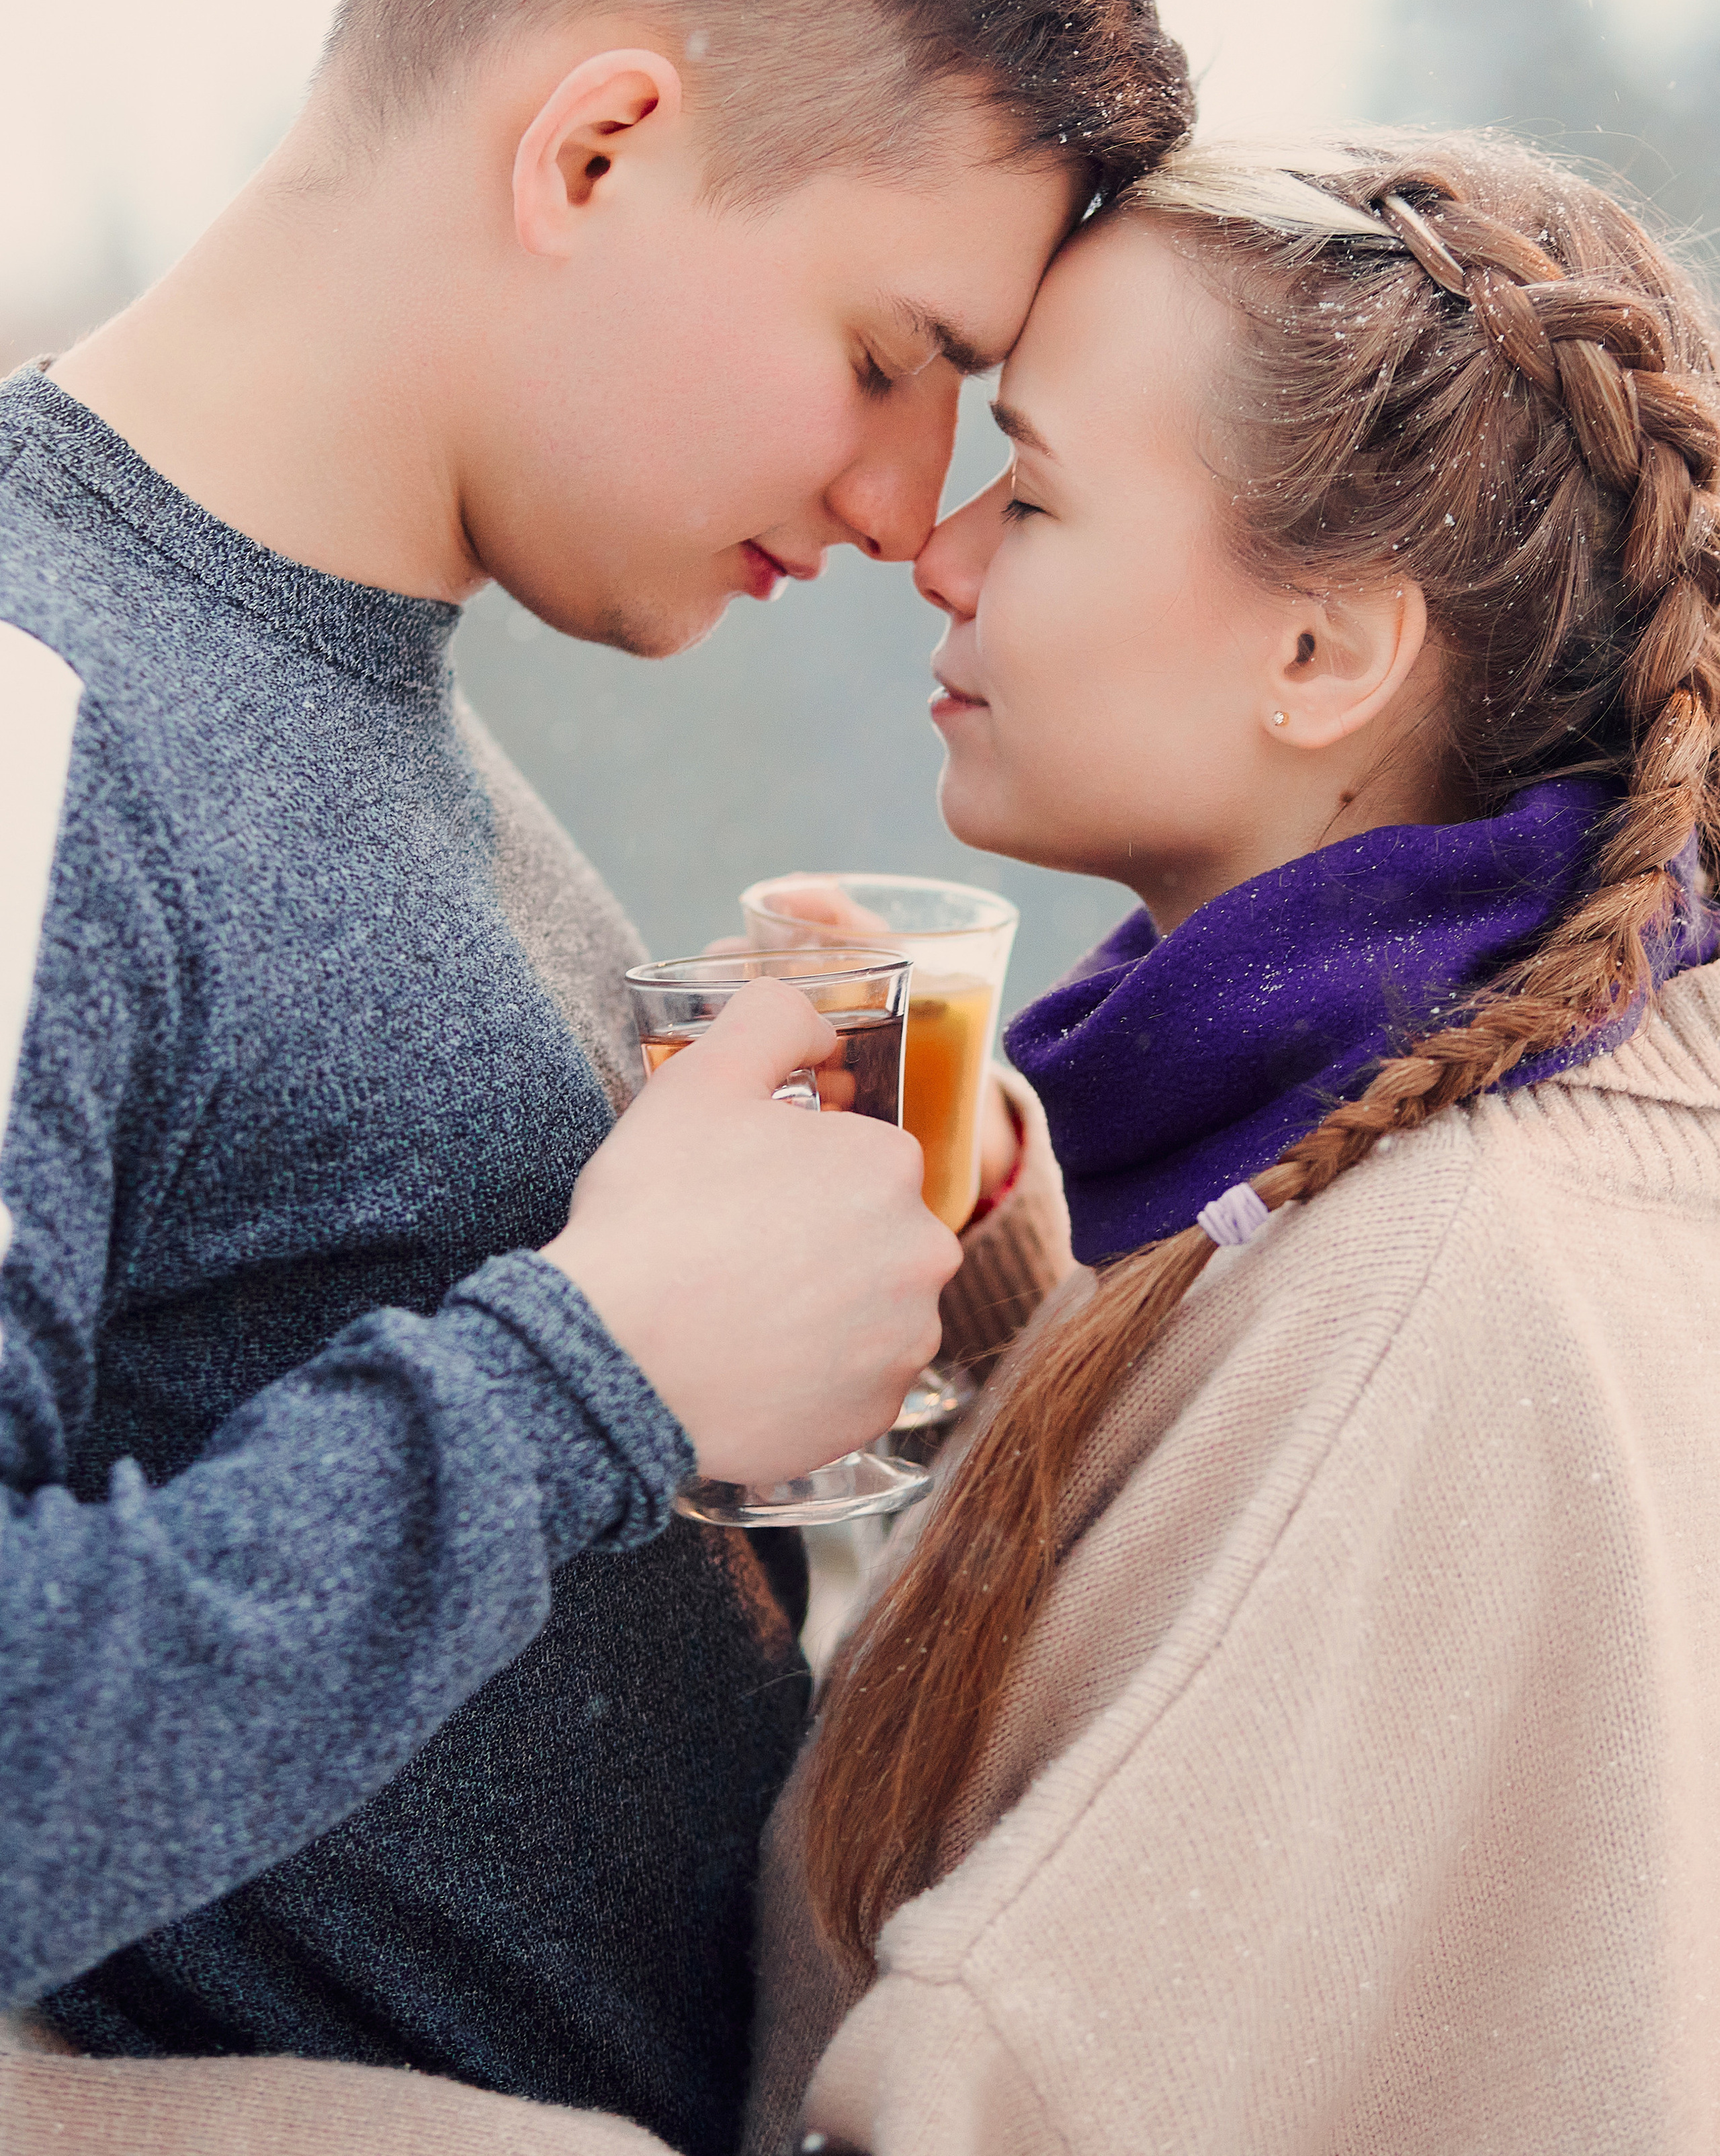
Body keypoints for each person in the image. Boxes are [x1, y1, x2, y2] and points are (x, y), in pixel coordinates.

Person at [22, 126, 1718, 2155]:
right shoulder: (1420, 1148)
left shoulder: (1431, 1306)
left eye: (1041, 487)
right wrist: (996, 1288)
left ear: (1321, 654)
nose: (942, 542)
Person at [0, 0, 1189, 2153]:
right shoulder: (22, 706)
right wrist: (597, 1371)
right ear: (600, 148)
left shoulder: (393, 721)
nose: (903, 512)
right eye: (890, 354)